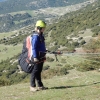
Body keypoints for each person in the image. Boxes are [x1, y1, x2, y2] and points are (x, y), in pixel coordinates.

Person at [30, 20, 48, 92]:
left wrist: (45, 50)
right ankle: (32, 86)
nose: (44, 29)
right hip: (36, 57)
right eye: (43, 28)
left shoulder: (41, 35)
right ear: (39, 28)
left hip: (41, 56)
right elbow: (34, 47)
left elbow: (40, 45)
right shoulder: (35, 36)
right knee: (35, 71)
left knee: (39, 71)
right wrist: (35, 57)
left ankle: (40, 86)